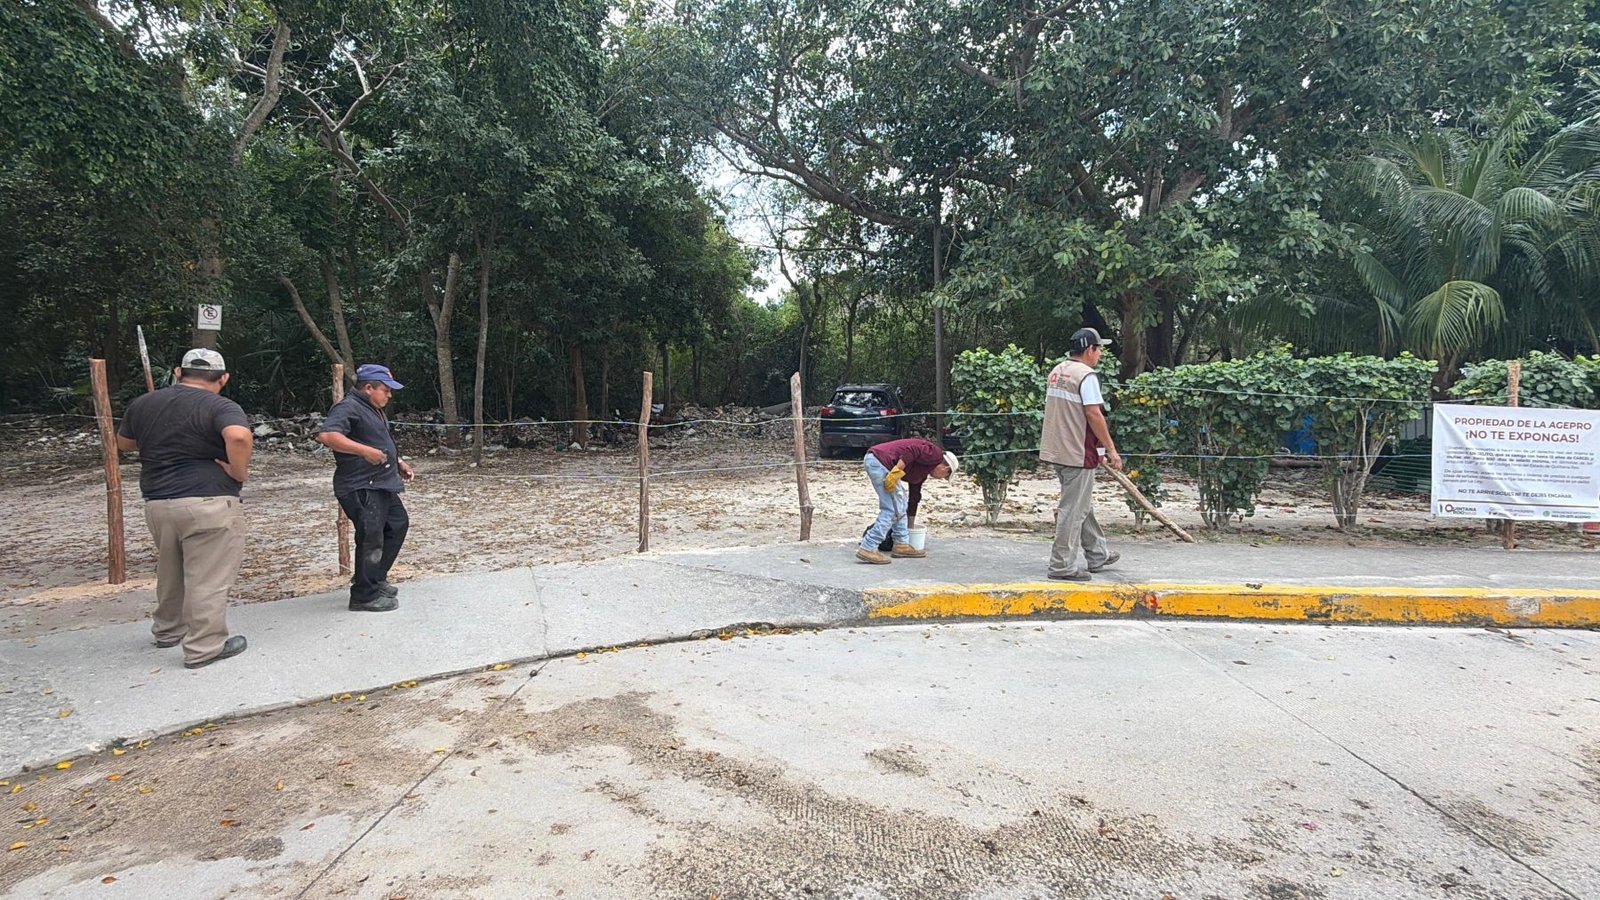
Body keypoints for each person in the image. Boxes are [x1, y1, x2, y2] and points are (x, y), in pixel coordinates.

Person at [115, 349, 252, 668]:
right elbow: (239, 436)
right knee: (209, 576)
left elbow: (124, 443)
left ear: (178, 372)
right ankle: (205, 647)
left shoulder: (144, 404)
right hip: (208, 500)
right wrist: (238, 472)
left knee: (170, 569)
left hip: (158, 502)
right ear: (223, 378)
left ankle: (167, 630)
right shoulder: (221, 406)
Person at [316, 364, 415, 612]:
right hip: (361, 485)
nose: (389, 395)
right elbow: (327, 436)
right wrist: (364, 452)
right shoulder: (349, 407)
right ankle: (363, 595)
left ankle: (373, 578)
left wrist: (398, 461)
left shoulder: (373, 408)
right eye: (385, 390)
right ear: (368, 388)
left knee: (397, 524)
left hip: (381, 482)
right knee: (371, 537)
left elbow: (380, 440)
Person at [1041, 327, 1124, 580]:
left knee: (1080, 503)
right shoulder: (1087, 376)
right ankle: (1061, 566)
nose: (1100, 355)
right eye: (1099, 349)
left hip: (1057, 449)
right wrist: (1110, 449)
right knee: (1073, 510)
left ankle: (1098, 553)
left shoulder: (1058, 371)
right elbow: (1093, 414)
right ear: (1090, 350)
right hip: (1077, 452)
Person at [857, 437, 957, 564]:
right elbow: (912, 450)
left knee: (900, 503)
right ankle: (868, 546)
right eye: (944, 477)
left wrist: (910, 526)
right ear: (946, 469)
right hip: (880, 462)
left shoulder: (921, 471)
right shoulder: (935, 455)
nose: (940, 479)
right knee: (891, 508)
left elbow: (913, 498)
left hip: (878, 461)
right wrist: (896, 472)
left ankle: (901, 544)